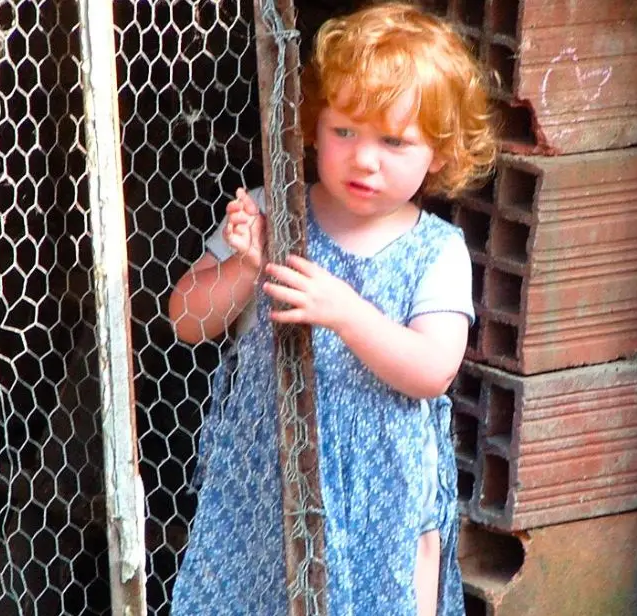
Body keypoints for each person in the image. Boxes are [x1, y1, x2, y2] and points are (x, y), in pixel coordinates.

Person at [167, 3, 496, 614]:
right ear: (314, 127)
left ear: (441, 154)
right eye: (345, 131)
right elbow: (186, 320)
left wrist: (345, 311)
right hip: (268, 481)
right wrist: (249, 263)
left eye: (394, 141)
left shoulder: (437, 250)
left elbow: (432, 369)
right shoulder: (273, 213)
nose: (363, 158)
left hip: (387, 491)